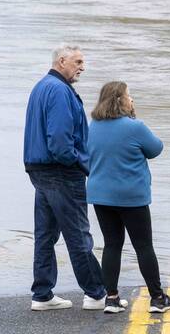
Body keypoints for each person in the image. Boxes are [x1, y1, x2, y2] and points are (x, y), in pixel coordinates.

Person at [23, 45, 116, 311]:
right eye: (78, 62)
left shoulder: (41, 86)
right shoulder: (60, 91)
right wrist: (81, 164)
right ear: (61, 61)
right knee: (78, 234)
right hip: (60, 172)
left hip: (39, 169)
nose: (82, 67)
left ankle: (42, 294)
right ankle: (96, 294)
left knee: (45, 235)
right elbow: (60, 142)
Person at [87, 81, 170, 314]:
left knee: (112, 245)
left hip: (100, 195)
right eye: (129, 95)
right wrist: (133, 119)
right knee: (143, 245)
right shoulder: (135, 127)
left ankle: (111, 299)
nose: (132, 99)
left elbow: (86, 155)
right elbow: (156, 149)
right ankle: (157, 298)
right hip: (131, 196)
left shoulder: (93, 126)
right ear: (119, 100)